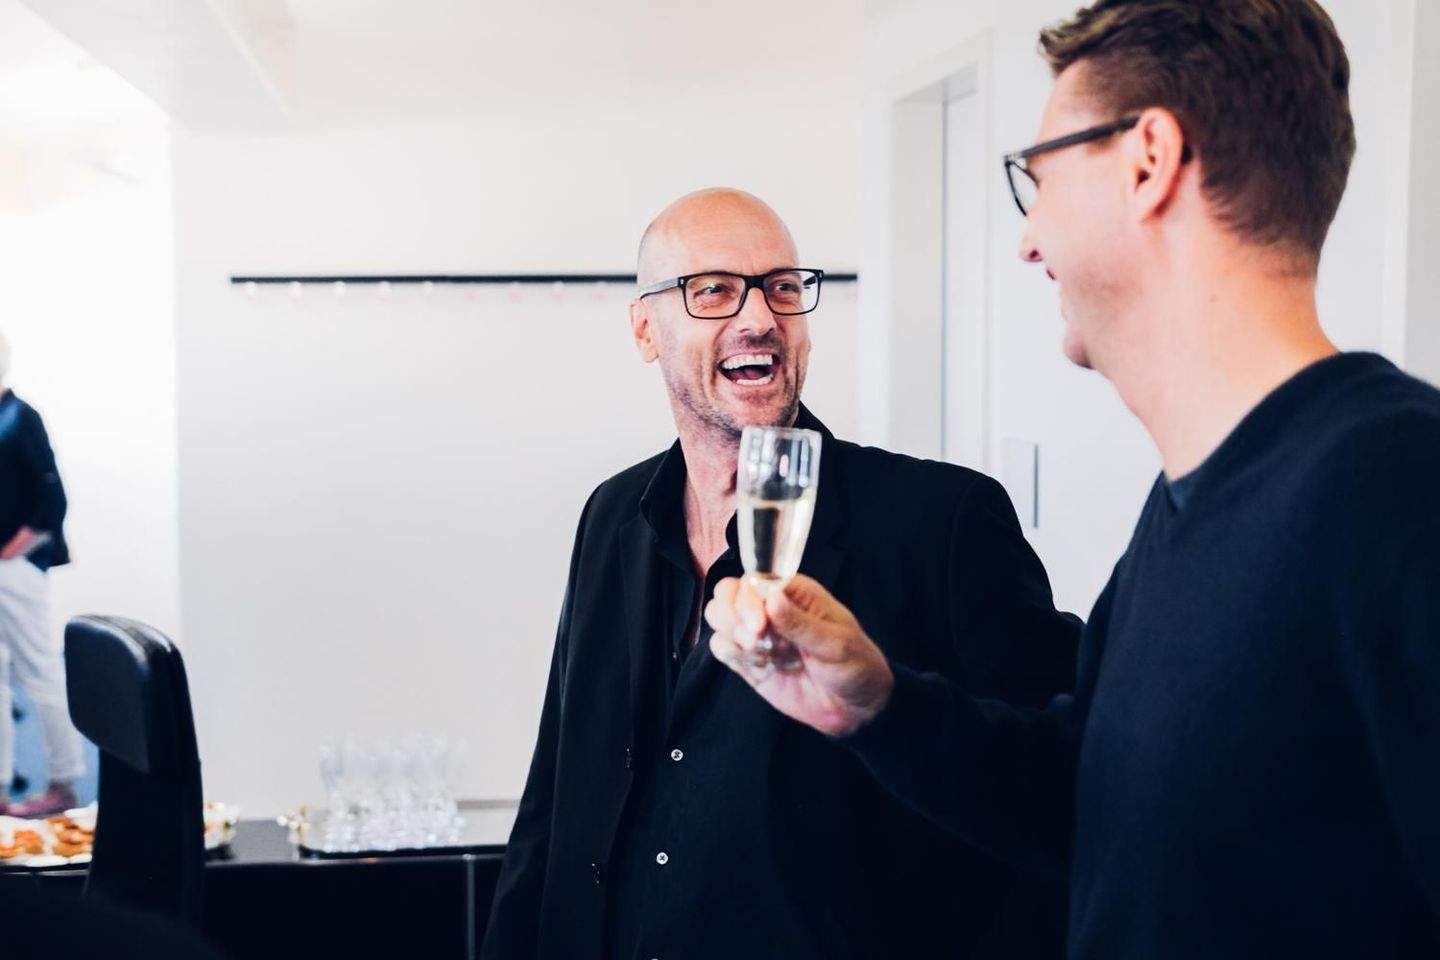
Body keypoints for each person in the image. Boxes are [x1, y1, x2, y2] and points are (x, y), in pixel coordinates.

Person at [706, 1, 1440, 957]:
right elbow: (1099, 803)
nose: (1028, 238)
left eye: (1040, 175)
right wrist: (878, 706)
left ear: (1149, 161)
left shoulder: (1400, 493)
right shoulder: (1186, 509)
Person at [481, 188, 1082, 959]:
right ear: (644, 330)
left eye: (783, 287)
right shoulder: (612, 515)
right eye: (713, 291)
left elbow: (1050, 801)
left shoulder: (942, 522)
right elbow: (554, 799)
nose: (760, 317)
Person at [0, 332, 85, 817]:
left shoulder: (20, 418)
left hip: (16, 570)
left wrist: (12, 551)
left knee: (40, 673)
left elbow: (52, 501)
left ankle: (64, 781)